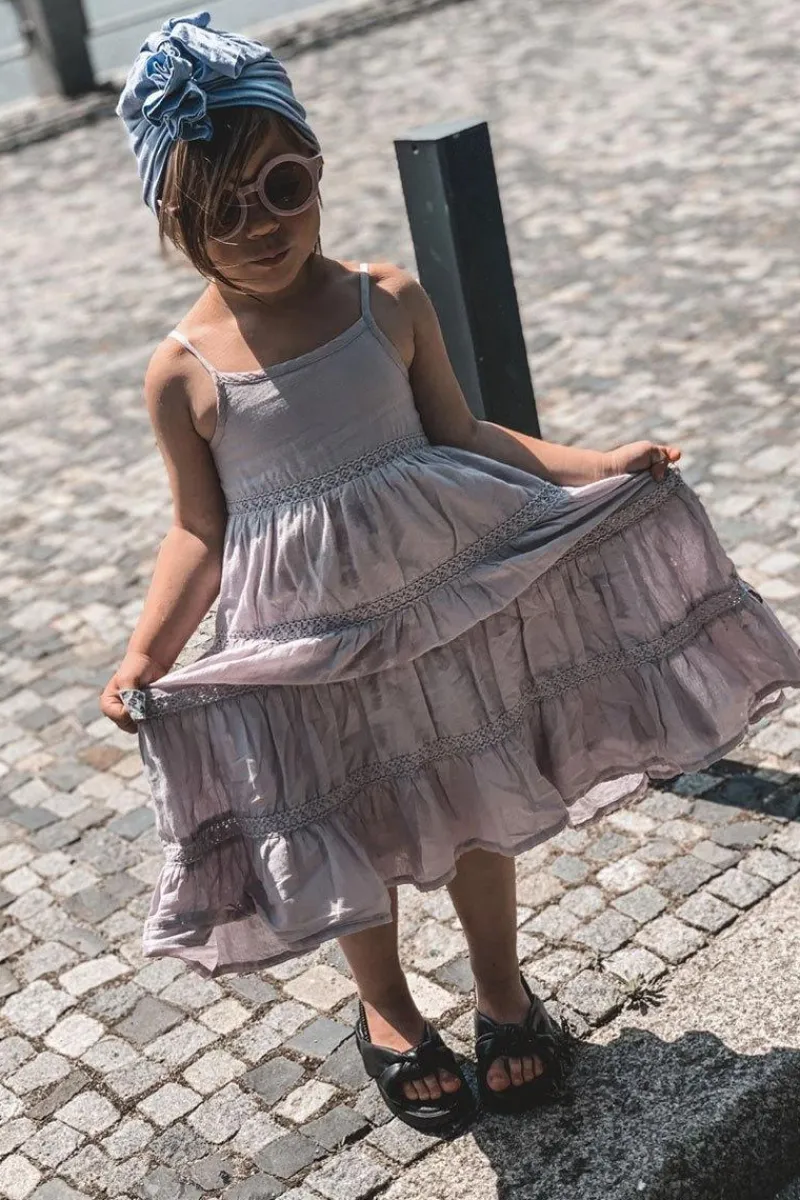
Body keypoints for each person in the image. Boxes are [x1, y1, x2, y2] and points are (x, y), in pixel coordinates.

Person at [103, 11, 800, 1134]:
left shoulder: (385, 299)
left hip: (440, 614)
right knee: (347, 822)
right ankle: (386, 1010)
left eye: (281, 187)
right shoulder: (181, 375)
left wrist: (595, 464)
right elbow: (198, 530)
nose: (261, 225)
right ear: (175, 223)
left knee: (474, 801)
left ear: (316, 167)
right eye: (222, 210)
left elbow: (466, 435)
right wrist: (148, 652)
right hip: (309, 646)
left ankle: (499, 988)